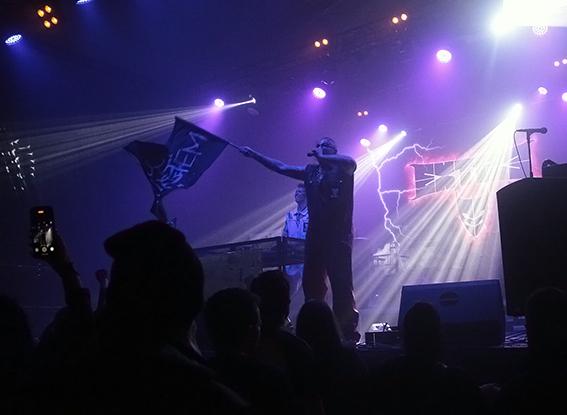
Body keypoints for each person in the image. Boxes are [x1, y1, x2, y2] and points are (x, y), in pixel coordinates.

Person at [240, 136, 359, 341]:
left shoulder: (343, 169)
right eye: (318, 146)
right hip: (315, 236)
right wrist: (255, 155)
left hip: (338, 236)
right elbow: (281, 167)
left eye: (325, 146)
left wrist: (323, 157)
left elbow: (351, 162)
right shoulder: (310, 172)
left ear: (334, 150)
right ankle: (316, 329)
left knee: (341, 284)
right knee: (312, 283)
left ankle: (346, 332)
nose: (319, 148)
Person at [282, 183, 309, 311]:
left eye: (300, 192)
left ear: (306, 195)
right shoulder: (290, 215)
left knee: (306, 290)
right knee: (290, 291)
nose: (296, 194)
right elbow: (285, 234)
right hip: (291, 260)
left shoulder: (311, 214)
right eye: (296, 191)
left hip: (306, 259)